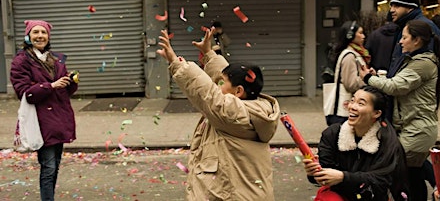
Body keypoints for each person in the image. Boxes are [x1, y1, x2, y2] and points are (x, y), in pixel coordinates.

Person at [157, 27, 280, 200]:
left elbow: (207, 93)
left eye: (223, 83)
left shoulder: (233, 113)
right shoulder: (251, 107)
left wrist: (176, 62)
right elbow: (223, 82)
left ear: (238, 91)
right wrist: (208, 54)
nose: (218, 85)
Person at [359, 20, 440, 200]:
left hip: (417, 130)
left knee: (392, 168)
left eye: (404, 37)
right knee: (412, 175)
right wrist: (376, 77)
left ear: (417, 40)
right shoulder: (414, 60)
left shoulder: (423, 63)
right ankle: (439, 186)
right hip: (412, 128)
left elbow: (396, 86)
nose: (400, 41)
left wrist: (368, 78)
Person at [10, 20, 78, 201]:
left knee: (54, 165)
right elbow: (25, 93)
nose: (40, 36)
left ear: (48, 37)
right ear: (28, 36)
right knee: (48, 167)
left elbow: (65, 92)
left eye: (43, 32)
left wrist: (71, 82)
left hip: (60, 119)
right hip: (40, 121)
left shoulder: (55, 60)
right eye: (35, 32)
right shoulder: (21, 61)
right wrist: (51, 85)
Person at [304, 86, 409, 201]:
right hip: (339, 194)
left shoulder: (388, 141)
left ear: (377, 113)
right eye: (352, 100)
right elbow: (326, 174)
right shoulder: (332, 134)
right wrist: (314, 173)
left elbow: (383, 180)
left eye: (361, 103)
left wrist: (344, 177)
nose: (352, 107)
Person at [388, 0, 440, 75]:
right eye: (391, 6)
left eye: (397, 6)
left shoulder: (423, 27)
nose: (391, 10)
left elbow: (423, 69)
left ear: (410, 8)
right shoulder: (403, 26)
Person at [325, 20, 369, 125]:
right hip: (344, 112)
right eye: (360, 33)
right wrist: (368, 79)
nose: (363, 36)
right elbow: (350, 85)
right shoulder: (350, 56)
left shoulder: (355, 53)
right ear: (350, 35)